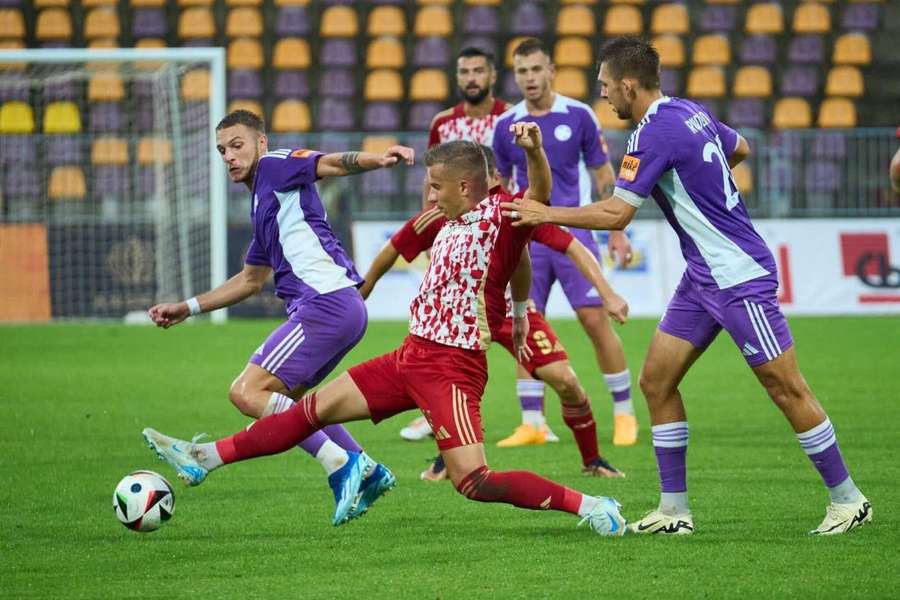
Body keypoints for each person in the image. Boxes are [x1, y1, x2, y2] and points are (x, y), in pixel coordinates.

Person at [141, 126, 627, 537]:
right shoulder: (446, 218)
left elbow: (538, 198)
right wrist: (519, 311)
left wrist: (534, 152)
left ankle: (590, 505)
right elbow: (515, 260)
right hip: (409, 357)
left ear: (464, 186)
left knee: (474, 480)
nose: (430, 195)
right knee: (309, 410)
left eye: (436, 186)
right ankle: (203, 457)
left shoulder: (502, 213)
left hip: (452, 368)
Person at [502, 37, 872, 536]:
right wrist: (700, 182)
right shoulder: (689, 112)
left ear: (628, 85)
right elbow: (740, 147)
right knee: (656, 381)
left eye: (607, 87)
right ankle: (674, 512)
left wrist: (544, 212)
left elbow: (616, 213)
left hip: (737, 274)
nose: (605, 97)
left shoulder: (651, 133)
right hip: (702, 277)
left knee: (785, 386)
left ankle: (848, 500)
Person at [145, 109, 415, 526]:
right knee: (291, 410)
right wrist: (188, 307)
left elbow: (328, 163)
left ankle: (342, 466)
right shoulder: (264, 203)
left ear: (261, 143)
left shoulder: (275, 165)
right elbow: (251, 280)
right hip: (339, 307)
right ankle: (365, 466)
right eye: (222, 151)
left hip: (324, 304)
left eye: (237, 145)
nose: (230, 156)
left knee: (246, 392)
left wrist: (377, 160)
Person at [360, 147, 627, 481]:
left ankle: (593, 460)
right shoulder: (445, 212)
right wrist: (365, 287)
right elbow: (396, 246)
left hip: (511, 312)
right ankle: (450, 458)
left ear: (492, 178)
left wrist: (607, 293)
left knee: (566, 380)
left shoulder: (512, 210)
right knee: (446, 380)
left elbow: (569, 245)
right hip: (459, 318)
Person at [493, 38, 639, 447]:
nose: (530, 78)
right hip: (527, 236)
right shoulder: (505, 124)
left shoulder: (579, 115)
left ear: (551, 70)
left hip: (574, 228)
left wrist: (617, 230)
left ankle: (624, 413)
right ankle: (532, 422)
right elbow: (501, 184)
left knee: (595, 320)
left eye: (536, 69)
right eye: (522, 71)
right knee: (525, 323)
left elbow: (601, 173)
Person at [398, 46, 517, 444]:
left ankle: (533, 417)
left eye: (478, 70)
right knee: (437, 327)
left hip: (495, 234)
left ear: (492, 75)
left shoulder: (510, 117)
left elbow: (514, 175)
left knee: (505, 327)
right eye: (464, 70)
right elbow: (430, 179)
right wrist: (431, 229)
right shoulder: (443, 123)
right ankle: (433, 410)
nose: (471, 77)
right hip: (456, 236)